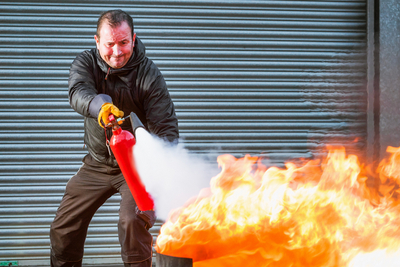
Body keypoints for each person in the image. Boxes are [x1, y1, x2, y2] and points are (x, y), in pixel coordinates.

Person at [50, 9, 179, 267]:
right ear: (97, 41)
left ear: (133, 38)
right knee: (63, 229)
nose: (117, 52)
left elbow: (165, 128)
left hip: (136, 167)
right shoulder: (85, 63)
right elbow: (78, 91)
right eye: (109, 44)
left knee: (132, 222)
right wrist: (101, 106)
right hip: (97, 163)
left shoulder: (149, 75)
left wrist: (160, 166)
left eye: (123, 43)